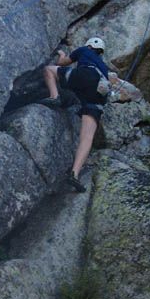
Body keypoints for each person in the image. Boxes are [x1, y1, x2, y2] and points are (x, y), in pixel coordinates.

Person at [40, 37, 109, 192]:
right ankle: (75, 173)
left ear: (90, 46)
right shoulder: (104, 66)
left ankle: (54, 96)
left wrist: (61, 53)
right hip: (100, 91)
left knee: (48, 70)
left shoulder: (84, 50)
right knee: (87, 137)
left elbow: (62, 63)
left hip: (86, 75)